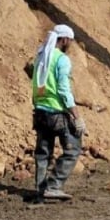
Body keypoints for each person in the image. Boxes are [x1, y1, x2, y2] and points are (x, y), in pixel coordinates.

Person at [25, 23, 85, 201]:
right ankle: (54, 186)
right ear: (65, 39)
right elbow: (64, 90)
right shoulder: (61, 59)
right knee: (73, 149)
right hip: (57, 113)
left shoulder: (41, 57)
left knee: (43, 153)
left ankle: (41, 191)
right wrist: (77, 116)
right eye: (71, 41)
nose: (71, 45)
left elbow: (37, 85)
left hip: (40, 112)